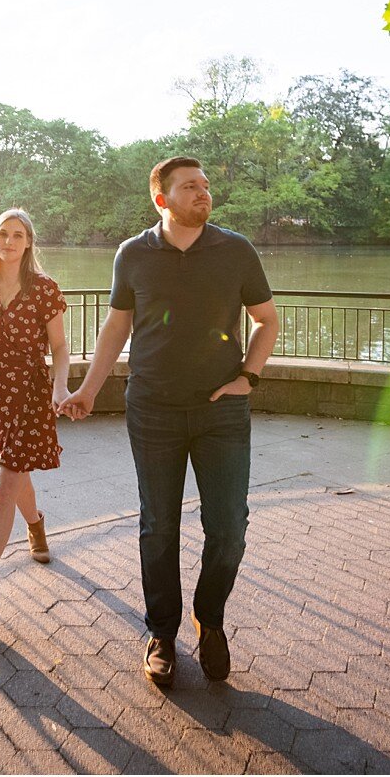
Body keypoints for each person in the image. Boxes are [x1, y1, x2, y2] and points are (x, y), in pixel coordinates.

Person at [59, 157, 278, 687]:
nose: (203, 193)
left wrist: (248, 376)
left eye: (205, 185)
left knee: (228, 530)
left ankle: (211, 622)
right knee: (159, 527)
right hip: (152, 409)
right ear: (162, 199)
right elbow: (116, 328)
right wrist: (88, 390)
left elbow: (267, 320)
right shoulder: (133, 254)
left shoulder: (236, 249)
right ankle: (162, 632)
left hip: (220, 412)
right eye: (190, 187)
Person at [0, 208, 71, 628]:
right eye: (3, 234)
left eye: (17, 235)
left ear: (28, 242)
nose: (9, 241)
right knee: (14, 473)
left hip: (29, 393)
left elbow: (59, 346)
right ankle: (36, 526)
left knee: (4, 482)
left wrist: (60, 387)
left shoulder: (44, 289)